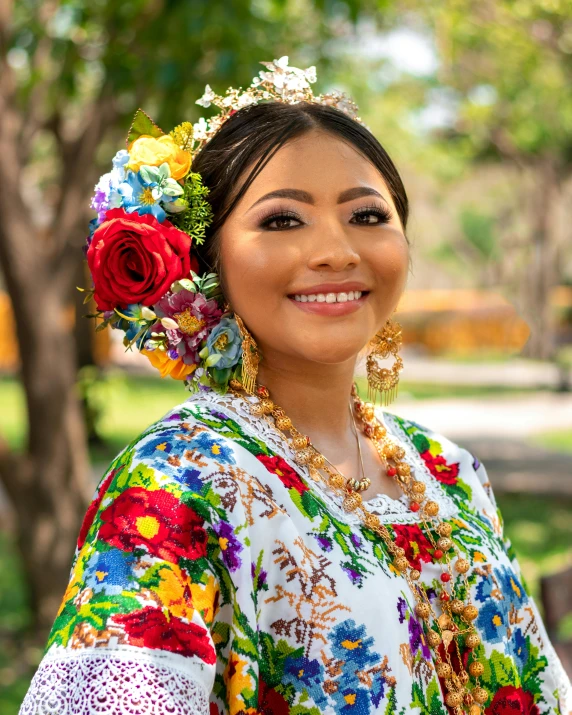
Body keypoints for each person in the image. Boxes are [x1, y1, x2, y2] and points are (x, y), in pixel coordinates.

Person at [20, 57, 571, 715]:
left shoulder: (450, 472)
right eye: (283, 219)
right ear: (208, 259)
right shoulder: (177, 482)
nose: (336, 249)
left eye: (367, 215)